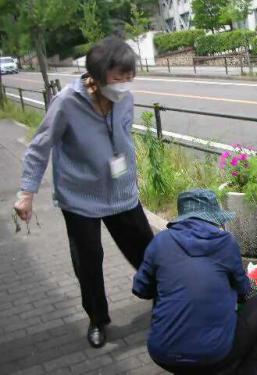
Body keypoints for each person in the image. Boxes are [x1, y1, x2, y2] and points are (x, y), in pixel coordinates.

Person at [14, 36, 154, 348]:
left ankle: (164, 298)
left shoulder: (125, 99)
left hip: (121, 193)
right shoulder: (67, 102)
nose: (126, 84)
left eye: (130, 76)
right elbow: (40, 147)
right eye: (119, 77)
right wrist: (27, 191)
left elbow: (123, 135)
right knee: (88, 263)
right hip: (80, 199)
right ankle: (97, 319)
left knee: (148, 251)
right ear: (98, 75)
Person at [133, 189, 257, 375]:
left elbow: (141, 289)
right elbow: (244, 294)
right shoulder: (225, 243)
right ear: (213, 219)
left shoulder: (160, 242)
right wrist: (252, 280)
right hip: (214, 354)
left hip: (163, 355)